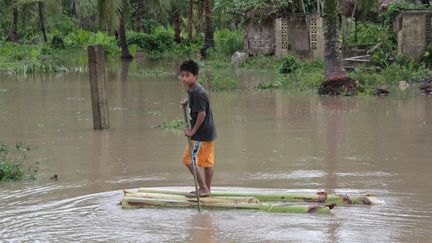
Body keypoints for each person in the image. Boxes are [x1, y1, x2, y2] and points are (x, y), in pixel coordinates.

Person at [179, 60, 216, 197]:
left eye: (187, 75)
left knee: (188, 160)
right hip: (208, 132)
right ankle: (207, 190)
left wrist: (192, 131)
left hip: (200, 135)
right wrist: (187, 102)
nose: (184, 78)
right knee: (207, 162)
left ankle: (203, 188)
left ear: (195, 76)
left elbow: (202, 113)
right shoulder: (193, 89)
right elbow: (201, 103)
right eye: (182, 75)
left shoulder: (196, 92)